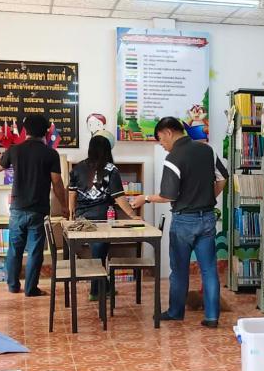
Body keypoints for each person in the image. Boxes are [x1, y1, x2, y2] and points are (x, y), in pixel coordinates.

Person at [128, 116, 227, 327]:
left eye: (160, 140)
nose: (161, 145)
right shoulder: (207, 150)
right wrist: (209, 198)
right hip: (207, 217)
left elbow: (168, 196)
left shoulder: (173, 158)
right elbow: (222, 178)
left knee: (180, 270)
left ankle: (175, 312)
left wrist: (145, 198)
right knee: (209, 269)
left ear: (168, 132)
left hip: (184, 221)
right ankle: (212, 317)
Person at [0, 114, 68, 297]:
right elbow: (57, 182)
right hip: (39, 210)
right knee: (35, 251)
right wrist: (64, 205)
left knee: (14, 249)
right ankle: (31, 289)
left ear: (25, 130)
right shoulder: (51, 154)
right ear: (45, 132)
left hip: (17, 209)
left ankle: (12, 285)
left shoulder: (14, 150)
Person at [69, 134, 137, 295]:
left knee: (98, 254)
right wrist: (132, 215)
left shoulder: (77, 168)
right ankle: (96, 290)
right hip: (104, 218)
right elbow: (118, 196)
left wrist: (71, 215)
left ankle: (104, 288)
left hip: (83, 219)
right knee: (99, 254)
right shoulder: (110, 169)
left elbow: (72, 194)